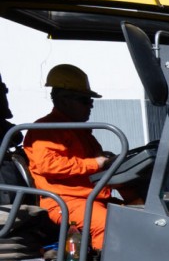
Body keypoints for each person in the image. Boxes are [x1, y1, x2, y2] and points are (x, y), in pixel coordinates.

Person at [22, 64, 122, 251]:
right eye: (85, 100)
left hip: (90, 197)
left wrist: (106, 160)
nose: (91, 105)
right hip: (65, 201)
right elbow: (48, 165)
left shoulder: (79, 130)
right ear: (63, 100)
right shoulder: (46, 129)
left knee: (139, 217)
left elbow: (93, 163)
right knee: (106, 225)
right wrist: (95, 163)